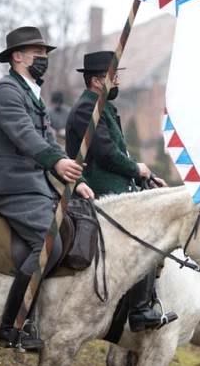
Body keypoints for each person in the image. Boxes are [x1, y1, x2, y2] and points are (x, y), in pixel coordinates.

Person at [0, 26, 94, 352]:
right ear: (18, 56)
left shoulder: (31, 92)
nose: (44, 60)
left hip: (34, 183)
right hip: (11, 184)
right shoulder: (4, 92)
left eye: (45, 55)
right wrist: (55, 163)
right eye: (39, 54)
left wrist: (75, 177)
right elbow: (23, 136)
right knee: (50, 244)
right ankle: (12, 325)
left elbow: (46, 140)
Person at [65, 51, 175, 332]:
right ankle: (138, 311)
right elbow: (107, 154)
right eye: (114, 77)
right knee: (145, 237)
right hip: (97, 189)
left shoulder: (104, 108)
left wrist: (147, 179)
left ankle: (143, 304)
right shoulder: (86, 109)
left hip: (117, 187)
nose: (119, 83)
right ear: (97, 82)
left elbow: (119, 154)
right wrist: (138, 169)